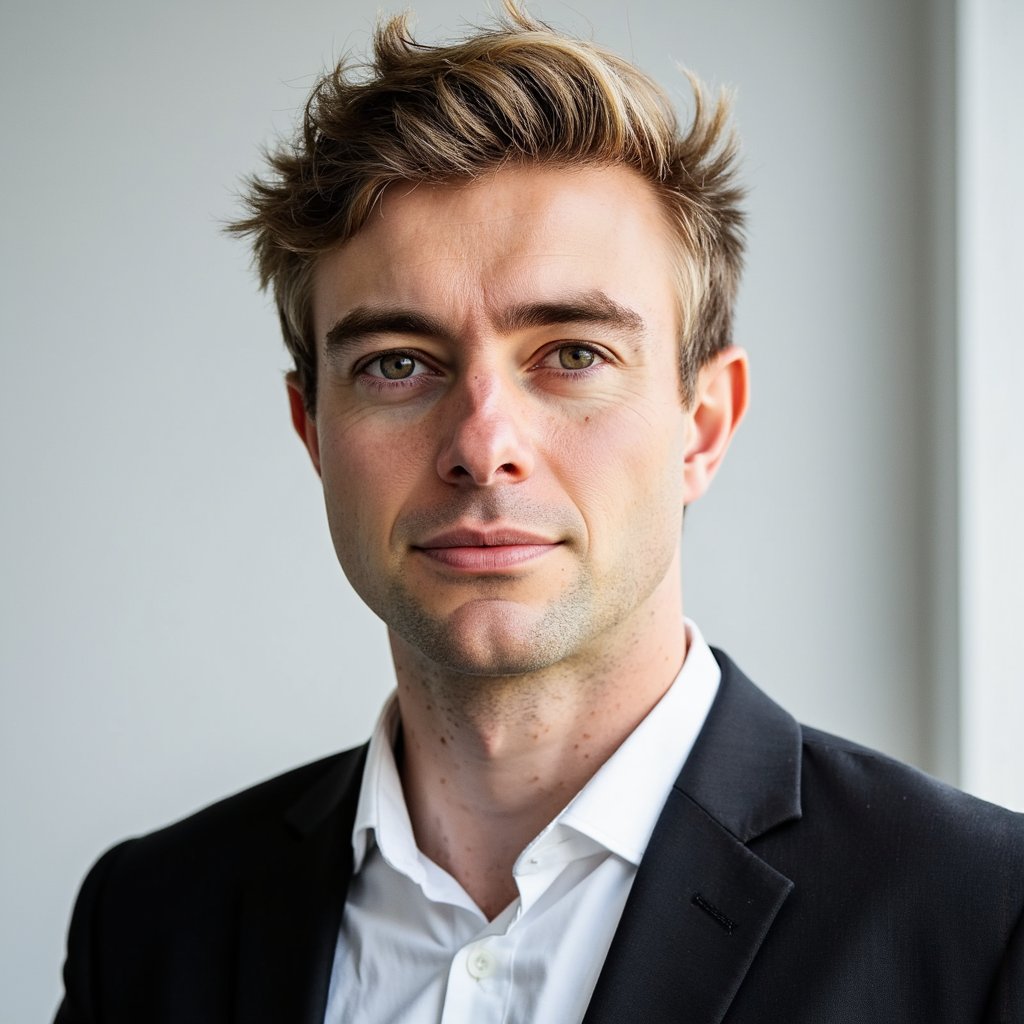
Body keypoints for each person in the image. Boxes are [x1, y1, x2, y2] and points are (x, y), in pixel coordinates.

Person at [55, 5, 1022, 1022]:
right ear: (312, 429)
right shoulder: (150, 920)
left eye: (571, 354)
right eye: (397, 364)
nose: (482, 443)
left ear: (702, 424)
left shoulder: (982, 923)